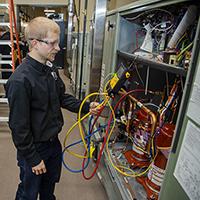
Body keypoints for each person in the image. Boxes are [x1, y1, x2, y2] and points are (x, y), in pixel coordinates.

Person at [5, 16, 99, 200]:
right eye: (53, 43)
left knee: (48, 191)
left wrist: (87, 106)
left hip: (53, 144)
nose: (58, 48)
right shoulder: (20, 81)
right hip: (34, 148)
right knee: (28, 193)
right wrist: (32, 158)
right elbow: (18, 127)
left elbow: (61, 98)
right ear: (34, 43)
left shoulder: (51, 70)